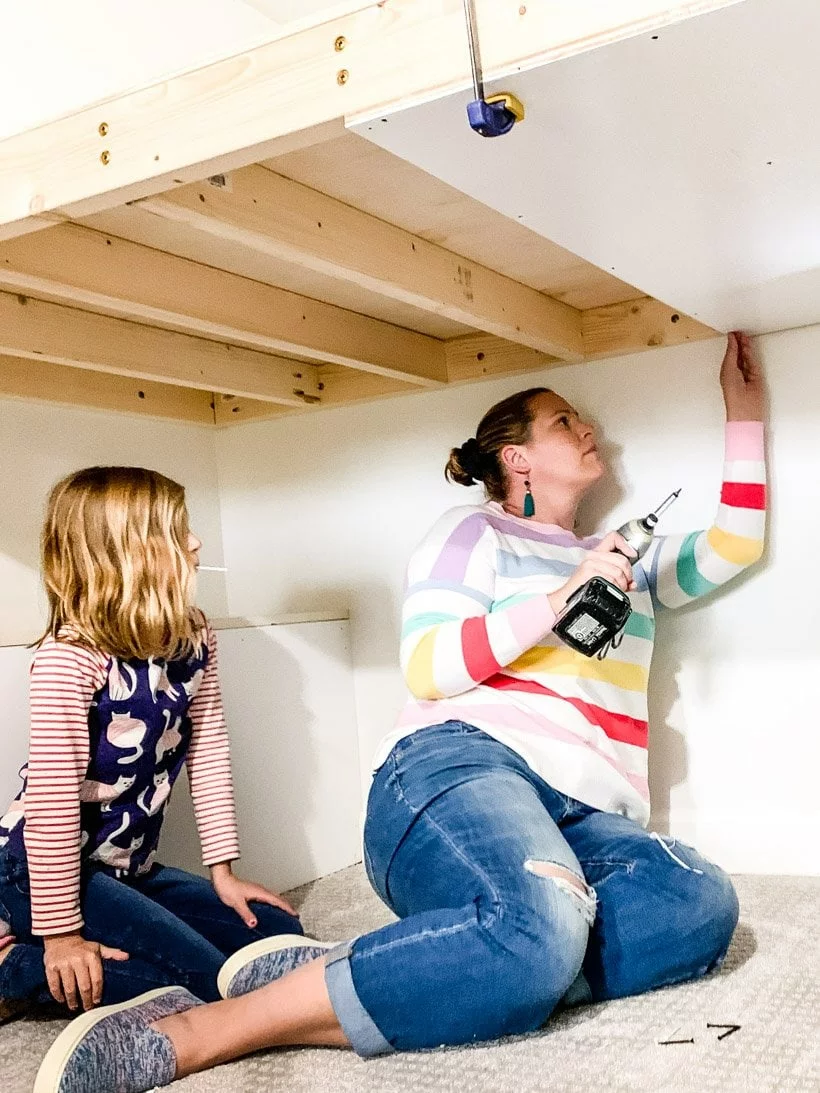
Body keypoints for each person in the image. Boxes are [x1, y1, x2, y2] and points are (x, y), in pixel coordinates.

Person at [32, 333, 767, 1093]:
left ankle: (415, 968)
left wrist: (744, 412)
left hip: (585, 810)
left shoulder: (626, 560)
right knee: (540, 927)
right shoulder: (472, 531)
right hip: (461, 768)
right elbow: (431, 668)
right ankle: (203, 1030)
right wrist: (562, 594)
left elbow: (733, 545)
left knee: (698, 904)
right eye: (564, 422)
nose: (590, 431)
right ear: (516, 459)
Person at [0, 466, 302, 1028]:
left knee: (278, 939)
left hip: (128, 868)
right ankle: (17, 967)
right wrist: (62, 935)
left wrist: (224, 873)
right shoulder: (69, 659)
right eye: (178, 531)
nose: (195, 542)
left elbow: (208, 750)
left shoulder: (193, 635)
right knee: (199, 985)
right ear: (128, 555)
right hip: (38, 870)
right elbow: (52, 805)